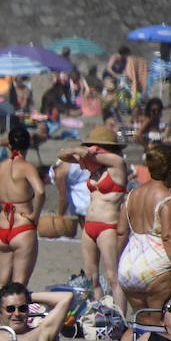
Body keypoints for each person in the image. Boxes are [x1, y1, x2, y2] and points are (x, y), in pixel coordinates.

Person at [117, 144, 171, 327]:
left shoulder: (132, 194)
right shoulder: (169, 198)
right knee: (159, 323)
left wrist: (117, 263)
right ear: (170, 171)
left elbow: (122, 231)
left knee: (141, 322)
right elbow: (168, 237)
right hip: (155, 265)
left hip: (129, 263)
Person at [58, 127, 129, 303]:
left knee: (113, 276)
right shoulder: (94, 167)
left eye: (98, 147)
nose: (94, 150)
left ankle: (120, 317)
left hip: (108, 226)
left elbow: (88, 155)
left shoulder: (117, 163)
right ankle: (97, 313)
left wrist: (86, 152)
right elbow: (62, 156)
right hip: (89, 226)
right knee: (91, 277)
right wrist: (77, 150)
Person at [0, 125, 44, 288]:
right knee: (19, 286)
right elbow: (40, 192)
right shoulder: (27, 166)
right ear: (28, 146)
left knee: (0, 286)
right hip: (22, 227)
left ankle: (0, 313)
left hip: (3, 227)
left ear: (9, 145)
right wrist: (35, 216)